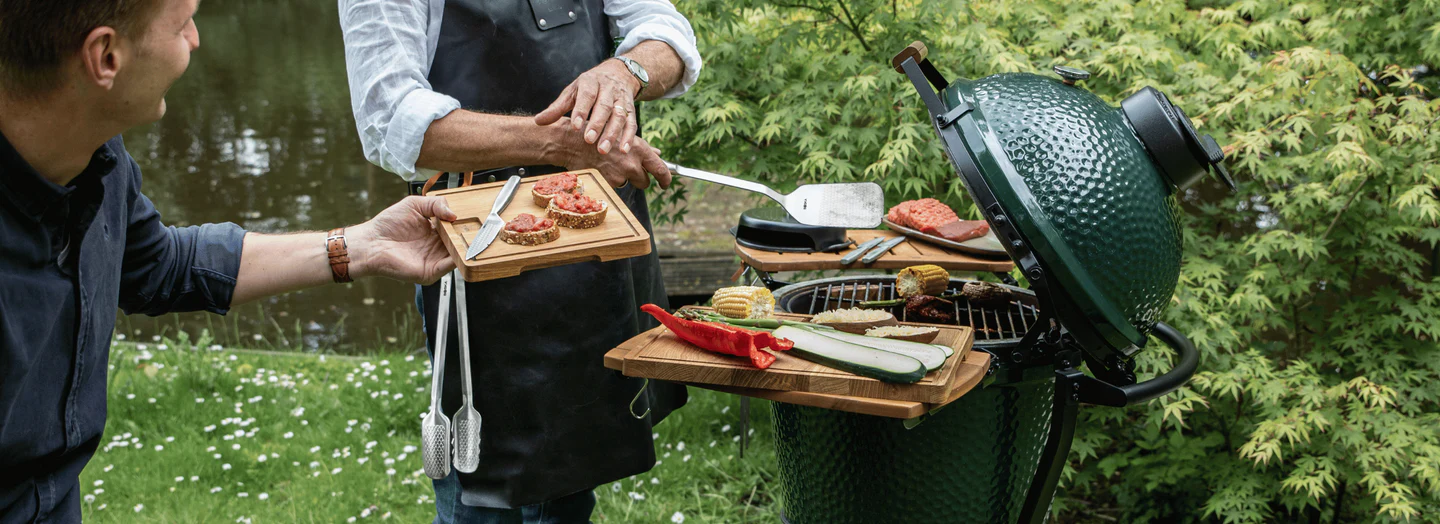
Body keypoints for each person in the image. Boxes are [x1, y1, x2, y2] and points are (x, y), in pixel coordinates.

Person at [0, 0, 460, 521]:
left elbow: (159, 265)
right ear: (105, 57)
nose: (195, 39)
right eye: (181, 25)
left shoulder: (95, 158)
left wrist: (360, 245)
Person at [339, 0, 701, 521]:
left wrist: (627, 71)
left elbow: (665, 31)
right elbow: (391, 119)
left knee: (573, 476)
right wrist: (561, 144)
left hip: (596, 245)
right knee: (485, 491)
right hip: (476, 257)